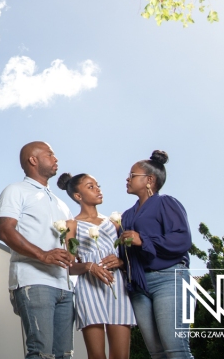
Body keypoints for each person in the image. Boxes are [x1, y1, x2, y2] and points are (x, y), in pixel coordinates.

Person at [0, 141, 75, 359]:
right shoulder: (15, 191)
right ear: (33, 160)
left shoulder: (62, 204)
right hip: (34, 280)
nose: (56, 158)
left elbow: (69, 242)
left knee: (64, 355)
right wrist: (43, 255)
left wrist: (72, 250)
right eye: (50, 154)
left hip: (65, 285)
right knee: (41, 353)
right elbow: (5, 231)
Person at [118, 150, 194, 359]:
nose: (127, 178)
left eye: (132, 175)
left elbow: (182, 239)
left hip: (170, 279)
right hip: (139, 286)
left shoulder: (166, 203)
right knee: (156, 353)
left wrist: (143, 239)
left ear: (149, 180)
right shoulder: (126, 215)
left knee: (175, 349)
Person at [58, 172, 135, 359]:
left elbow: (129, 256)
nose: (98, 189)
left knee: (121, 356)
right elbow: (68, 266)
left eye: (97, 185)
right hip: (89, 289)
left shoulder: (115, 223)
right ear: (78, 196)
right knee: (97, 356)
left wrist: (122, 262)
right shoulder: (71, 225)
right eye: (90, 187)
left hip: (117, 286)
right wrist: (88, 266)